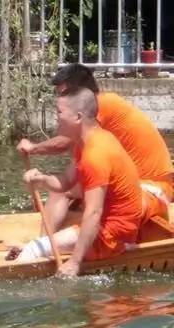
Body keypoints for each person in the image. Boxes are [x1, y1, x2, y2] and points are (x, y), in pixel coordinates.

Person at [17, 88, 163, 276]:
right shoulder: (86, 142)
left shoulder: (95, 155)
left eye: (59, 112)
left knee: (32, 250)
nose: (56, 118)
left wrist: (74, 262)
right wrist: (42, 180)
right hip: (107, 222)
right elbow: (66, 182)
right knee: (38, 246)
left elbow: (93, 213)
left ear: (78, 117)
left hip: (112, 235)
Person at [18, 63, 173, 231]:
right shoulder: (93, 129)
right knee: (71, 192)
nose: (60, 102)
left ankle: (42, 248)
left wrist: (34, 148)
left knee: (63, 192)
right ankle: (46, 242)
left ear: (79, 94)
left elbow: (65, 142)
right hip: (132, 183)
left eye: (63, 94)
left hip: (153, 187)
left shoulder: (103, 105)